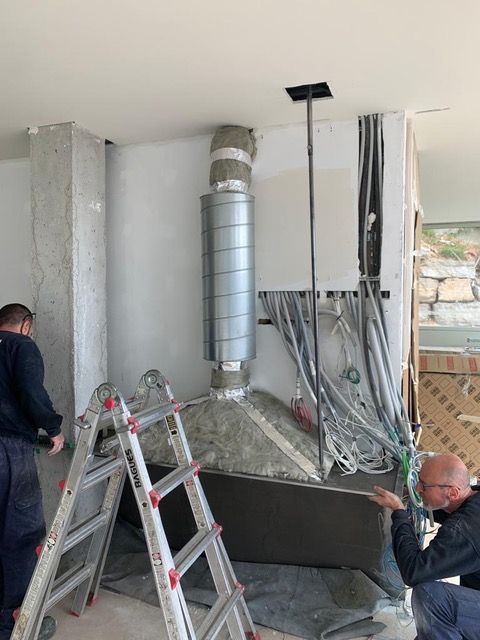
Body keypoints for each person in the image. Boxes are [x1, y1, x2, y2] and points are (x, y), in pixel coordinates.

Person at [0, 303, 64, 640]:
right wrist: (53, 428)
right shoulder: (22, 346)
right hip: (9, 453)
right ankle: (13, 626)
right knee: (19, 537)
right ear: (26, 324)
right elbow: (30, 391)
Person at [369, 453, 480, 640]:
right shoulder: (471, 497)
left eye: (424, 486)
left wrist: (399, 513)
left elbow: (414, 572)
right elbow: (451, 511)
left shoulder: (465, 531)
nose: (417, 488)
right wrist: (417, 500)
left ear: (453, 492)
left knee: (431, 597)